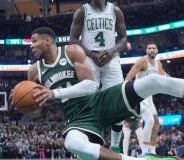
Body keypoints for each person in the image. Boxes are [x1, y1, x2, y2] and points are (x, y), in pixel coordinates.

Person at [18, 27, 184, 160]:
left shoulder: (70, 51)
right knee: (72, 143)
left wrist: (54, 93)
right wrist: (28, 106)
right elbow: (38, 112)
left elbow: (91, 86)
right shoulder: (33, 73)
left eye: (34, 41)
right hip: (78, 120)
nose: (31, 46)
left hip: (99, 101)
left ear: (48, 41)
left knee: (153, 79)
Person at [69, 0, 128, 152]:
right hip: (89, 59)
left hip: (111, 59)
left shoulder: (115, 11)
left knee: (118, 101)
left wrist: (112, 51)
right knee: (89, 102)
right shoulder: (82, 12)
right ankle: (91, 146)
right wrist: (91, 54)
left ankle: (115, 146)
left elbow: (123, 38)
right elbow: (73, 39)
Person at [125, 42, 168, 154]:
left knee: (156, 124)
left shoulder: (158, 63)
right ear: (146, 51)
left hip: (149, 97)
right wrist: (125, 91)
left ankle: (152, 153)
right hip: (139, 94)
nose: (152, 50)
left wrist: (178, 83)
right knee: (149, 121)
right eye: (149, 48)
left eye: (154, 48)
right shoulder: (142, 61)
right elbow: (130, 76)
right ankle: (145, 152)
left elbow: (165, 76)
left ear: (157, 50)